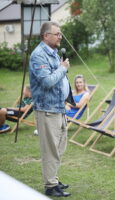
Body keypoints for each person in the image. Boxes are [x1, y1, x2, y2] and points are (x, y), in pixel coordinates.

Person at [29, 21, 71, 197]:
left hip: (58, 107)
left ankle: (53, 177)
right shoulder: (39, 55)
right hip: (47, 109)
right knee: (50, 149)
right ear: (46, 36)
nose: (60, 37)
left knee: (60, 146)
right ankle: (50, 186)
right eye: (57, 34)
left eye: (60, 34)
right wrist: (63, 68)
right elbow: (47, 82)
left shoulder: (52, 52)